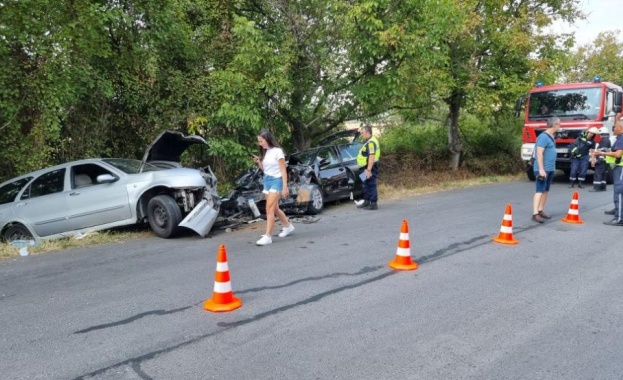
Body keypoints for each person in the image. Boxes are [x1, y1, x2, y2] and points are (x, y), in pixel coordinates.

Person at [251, 130, 295, 245]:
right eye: (259, 141)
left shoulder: (278, 152)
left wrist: (285, 187)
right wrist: (258, 162)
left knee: (269, 209)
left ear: (267, 139)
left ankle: (268, 236)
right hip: (267, 180)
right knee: (274, 208)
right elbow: (265, 170)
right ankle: (288, 226)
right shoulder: (266, 152)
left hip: (277, 181)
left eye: (261, 141)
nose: (260, 144)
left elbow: (283, 170)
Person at [532, 117, 561, 223]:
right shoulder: (543, 137)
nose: (560, 126)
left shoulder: (551, 137)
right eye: (559, 124)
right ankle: (535, 214)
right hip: (543, 169)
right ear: (555, 124)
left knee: (545, 190)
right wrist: (541, 169)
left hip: (550, 168)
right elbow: (539, 153)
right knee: (539, 190)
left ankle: (540, 210)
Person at [594, 119, 623, 226]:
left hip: (620, 168)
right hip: (618, 168)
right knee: (618, 191)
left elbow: (618, 154)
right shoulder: (619, 138)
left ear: (620, 128)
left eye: (615, 127)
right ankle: (617, 209)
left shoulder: (622, 138)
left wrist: (601, 152)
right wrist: (606, 152)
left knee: (619, 192)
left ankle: (619, 218)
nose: (613, 128)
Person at [356, 124, 381, 210]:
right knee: (365, 183)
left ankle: (373, 203)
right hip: (364, 167)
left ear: (367, 132)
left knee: (370, 183)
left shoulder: (371, 143)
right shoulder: (368, 141)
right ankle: (366, 201)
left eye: (362, 133)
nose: (361, 134)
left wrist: (368, 170)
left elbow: (371, 156)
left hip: (370, 167)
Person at [590, 126, 612, 192]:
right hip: (605, 160)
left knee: (598, 173)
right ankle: (603, 187)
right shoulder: (607, 140)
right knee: (603, 174)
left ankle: (596, 188)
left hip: (601, 159)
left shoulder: (604, 141)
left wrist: (594, 154)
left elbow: (601, 151)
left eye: (600, 134)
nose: (599, 136)